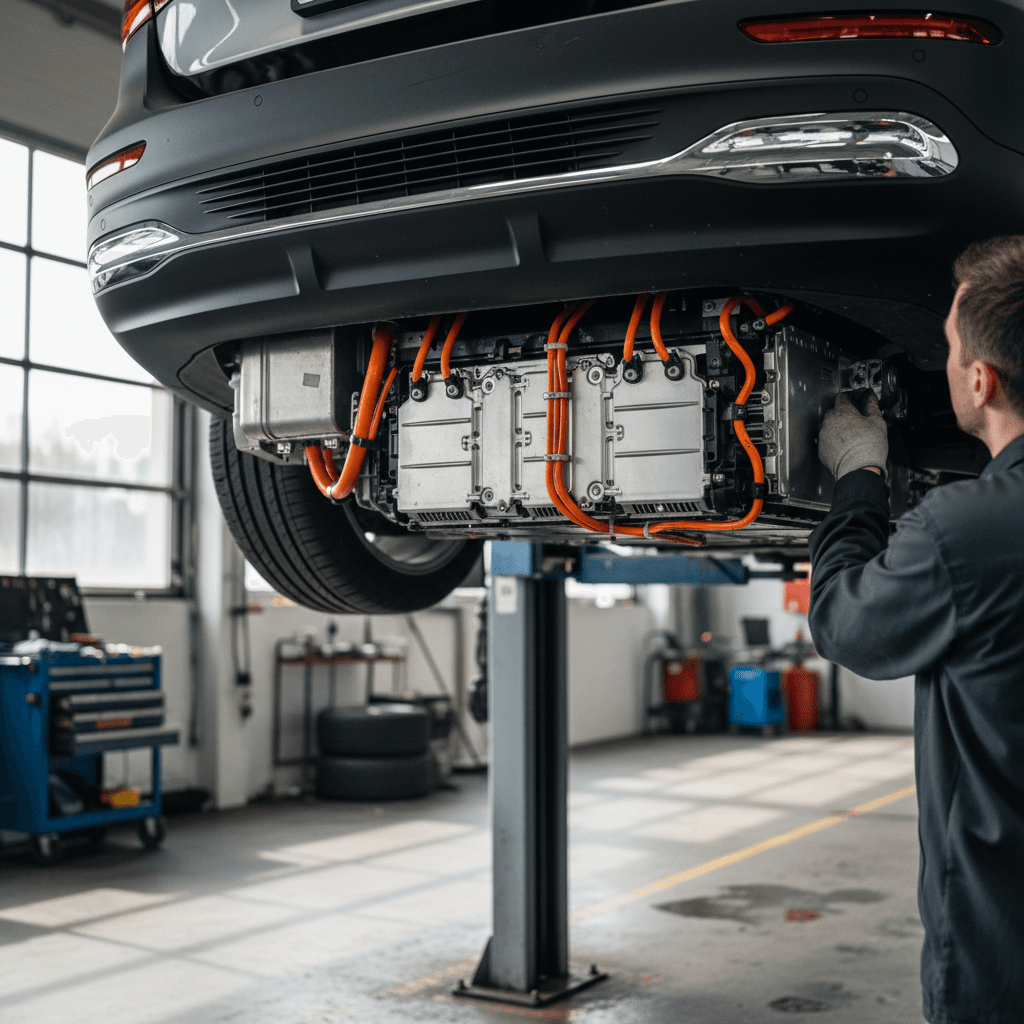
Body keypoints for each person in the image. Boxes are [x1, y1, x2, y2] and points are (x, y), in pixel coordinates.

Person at [807, 235, 1024, 1024]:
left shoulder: (966, 530)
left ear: (981, 379)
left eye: (949, 347)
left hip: (1002, 953)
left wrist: (859, 478)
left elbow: (842, 622)